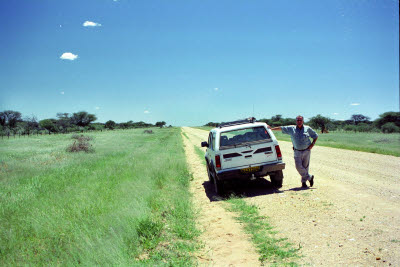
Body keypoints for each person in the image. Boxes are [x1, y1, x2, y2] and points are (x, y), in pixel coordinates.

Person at [267, 116, 318, 188]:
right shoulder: (291, 128)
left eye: (300, 120)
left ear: (303, 121)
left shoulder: (308, 128)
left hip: (306, 150)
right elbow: (282, 128)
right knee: (298, 167)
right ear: (296, 121)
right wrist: (271, 129)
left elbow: (315, 136)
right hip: (297, 151)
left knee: (305, 167)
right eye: (298, 120)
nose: (299, 121)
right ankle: (310, 177)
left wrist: (312, 144)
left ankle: (304, 183)